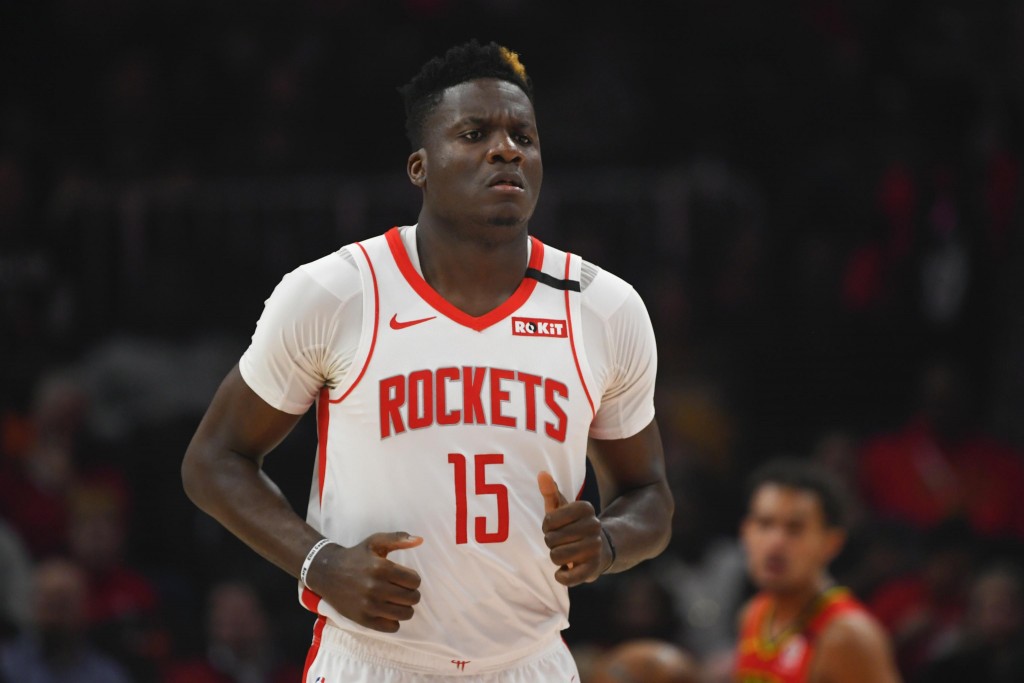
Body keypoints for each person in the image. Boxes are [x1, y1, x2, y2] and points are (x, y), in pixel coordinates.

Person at [182, 39, 673, 682]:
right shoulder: (338, 291)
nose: (506, 150)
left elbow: (650, 496)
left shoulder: (605, 307)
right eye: (474, 134)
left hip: (531, 662)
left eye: (522, 135)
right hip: (373, 661)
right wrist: (320, 563)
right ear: (419, 166)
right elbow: (212, 461)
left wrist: (607, 544)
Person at [734, 457, 902, 683]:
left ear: (832, 543)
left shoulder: (848, 637)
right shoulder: (753, 614)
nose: (775, 542)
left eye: (795, 529)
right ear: (746, 532)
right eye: (765, 524)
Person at [0, 557, 132, 683]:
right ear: (33, 604)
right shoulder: (7, 667)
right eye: (50, 604)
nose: (56, 617)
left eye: (64, 605)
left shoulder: (107, 677)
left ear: (83, 608)